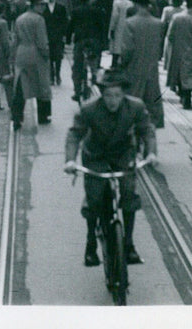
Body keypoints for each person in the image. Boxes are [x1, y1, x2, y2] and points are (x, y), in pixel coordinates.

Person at [63, 69, 157, 266]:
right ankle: (90, 244)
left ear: (123, 95)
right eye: (107, 95)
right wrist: (70, 160)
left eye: (117, 95)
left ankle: (129, 245)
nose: (112, 101)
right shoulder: (89, 109)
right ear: (101, 94)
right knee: (94, 199)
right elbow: (74, 134)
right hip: (95, 156)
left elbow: (147, 130)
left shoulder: (135, 107)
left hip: (123, 155)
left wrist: (151, 153)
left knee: (129, 194)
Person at [119, 0, 165, 128]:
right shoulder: (158, 24)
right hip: (152, 72)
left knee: (132, 110)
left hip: (133, 71)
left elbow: (127, 51)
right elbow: (159, 50)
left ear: (135, 3)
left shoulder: (130, 23)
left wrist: (121, 65)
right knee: (151, 111)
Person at [11, 0, 52, 129]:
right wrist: (46, 54)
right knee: (42, 84)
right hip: (36, 54)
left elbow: (15, 39)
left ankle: (17, 117)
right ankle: (43, 115)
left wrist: (13, 56)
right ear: (35, 5)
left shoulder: (19, 19)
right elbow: (42, 41)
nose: (44, 7)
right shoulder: (39, 20)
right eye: (42, 5)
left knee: (21, 87)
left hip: (22, 52)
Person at [164, 0, 192, 110]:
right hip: (191, 51)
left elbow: (170, 35)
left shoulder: (176, 17)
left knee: (178, 72)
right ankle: (187, 96)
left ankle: (181, 93)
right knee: (189, 74)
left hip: (177, 50)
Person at [67, 0, 106, 102]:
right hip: (94, 41)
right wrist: (102, 42)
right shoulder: (97, 11)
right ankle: (95, 81)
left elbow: (70, 27)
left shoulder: (76, 11)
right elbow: (101, 27)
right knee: (94, 65)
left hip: (81, 41)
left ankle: (77, 91)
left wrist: (68, 39)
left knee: (77, 68)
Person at [42, 0, 69, 85]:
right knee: (49, 56)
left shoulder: (61, 8)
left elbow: (64, 22)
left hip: (58, 35)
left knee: (58, 56)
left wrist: (65, 35)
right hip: (47, 35)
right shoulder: (44, 7)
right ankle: (51, 75)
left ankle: (57, 74)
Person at [108, 0, 133, 68]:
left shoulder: (117, 3)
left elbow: (114, 16)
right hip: (128, 27)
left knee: (116, 47)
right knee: (124, 46)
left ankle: (114, 65)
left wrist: (112, 29)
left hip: (118, 27)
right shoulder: (130, 3)